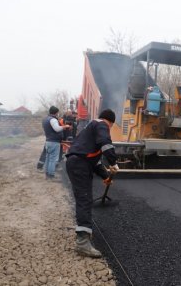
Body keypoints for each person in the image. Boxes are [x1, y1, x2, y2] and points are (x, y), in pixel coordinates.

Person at [65, 109, 119, 258]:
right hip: (79, 164)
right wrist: (113, 162)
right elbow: (106, 144)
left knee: (84, 198)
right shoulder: (102, 125)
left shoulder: (90, 128)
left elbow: (94, 160)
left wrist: (105, 175)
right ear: (111, 122)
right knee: (84, 199)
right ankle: (82, 243)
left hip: (77, 163)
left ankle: (84, 233)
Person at [42, 106, 70, 179]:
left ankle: (47, 173)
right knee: (52, 159)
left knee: (48, 158)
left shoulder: (45, 119)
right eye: (58, 112)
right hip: (54, 142)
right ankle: (51, 174)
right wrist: (65, 126)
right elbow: (57, 129)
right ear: (56, 112)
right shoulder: (53, 120)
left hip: (48, 141)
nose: (58, 114)